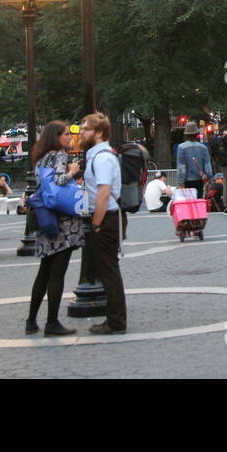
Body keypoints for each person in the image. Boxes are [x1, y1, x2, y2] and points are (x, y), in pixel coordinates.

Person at [25, 120, 81, 337]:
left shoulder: (41, 157)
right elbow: (59, 182)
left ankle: (31, 320)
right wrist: (73, 172)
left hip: (46, 219)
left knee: (43, 272)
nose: (70, 138)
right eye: (66, 134)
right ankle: (52, 322)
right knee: (57, 274)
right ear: (55, 137)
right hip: (63, 222)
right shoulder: (59, 155)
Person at [80, 112, 126, 335]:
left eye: (85, 129)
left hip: (105, 218)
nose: (81, 133)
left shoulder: (103, 158)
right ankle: (115, 319)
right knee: (107, 270)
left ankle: (116, 321)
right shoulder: (97, 156)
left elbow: (104, 192)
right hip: (105, 217)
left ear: (98, 133)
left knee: (108, 271)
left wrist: (96, 223)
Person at [175, 123, 213, 196]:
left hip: (187, 180)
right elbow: (208, 166)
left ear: (186, 135)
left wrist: (180, 182)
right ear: (197, 134)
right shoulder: (203, 147)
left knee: (188, 203)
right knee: (199, 201)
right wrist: (209, 180)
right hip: (200, 179)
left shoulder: (181, 147)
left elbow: (181, 167)